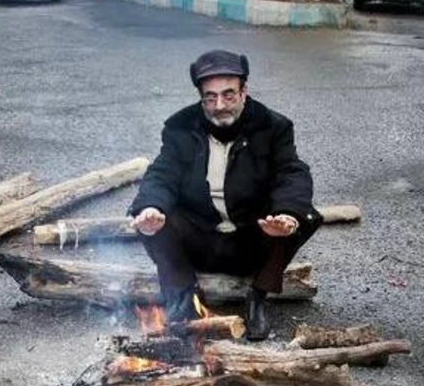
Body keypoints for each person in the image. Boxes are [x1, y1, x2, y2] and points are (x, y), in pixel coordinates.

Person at [129, 49, 322, 341]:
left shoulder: (273, 126)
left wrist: (288, 214)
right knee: (151, 217)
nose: (219, 105)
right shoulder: (180, 127)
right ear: (201, 97)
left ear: (245, 91)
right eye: (210, 97)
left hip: (251, 240)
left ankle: (258, 296)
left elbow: (291, 172)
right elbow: (162, 173)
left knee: (302, 217)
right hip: (200, 242)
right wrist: (151, 207)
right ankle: (184, 294)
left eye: (229, 95)